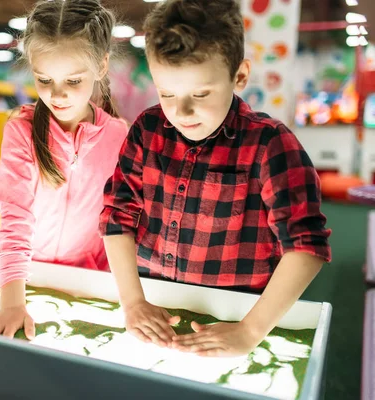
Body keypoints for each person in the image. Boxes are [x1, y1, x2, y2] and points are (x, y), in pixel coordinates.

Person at [99, 0, 332, 357]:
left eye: (201, 93)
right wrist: (132, 302)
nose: (182, 111)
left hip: (241, 313)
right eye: (167, 93)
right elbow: (117, 215)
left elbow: (306, 245)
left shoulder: (270, 143)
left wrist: (250, 331)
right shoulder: (147, 129)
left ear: (239, 76)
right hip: (153, 303)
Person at [0, 0, 128, 339]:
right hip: (29, 278)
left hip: (94, 283)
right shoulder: (21, 130)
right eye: (44, 79)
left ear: (101, 66)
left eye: (73, 81)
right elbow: (15, 216)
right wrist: (13, 301)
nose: (57, 95)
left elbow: (122, 218)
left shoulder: (119, 136)